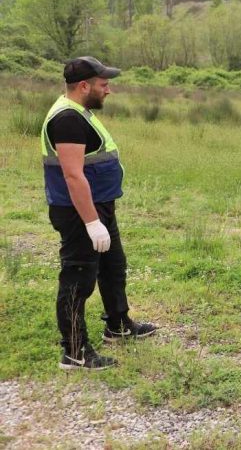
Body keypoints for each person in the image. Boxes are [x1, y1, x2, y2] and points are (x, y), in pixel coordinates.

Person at [42, 56, 157, 370]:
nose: (109, 90)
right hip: (80, 213)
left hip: (99, 207)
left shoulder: (81, 113)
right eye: (104, 85)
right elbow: (73, 175)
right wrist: (92, 222)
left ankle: (118, 326)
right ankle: (75, 352)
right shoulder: (67, 119)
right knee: (78, 280)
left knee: (113, 266)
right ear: (84, 86)